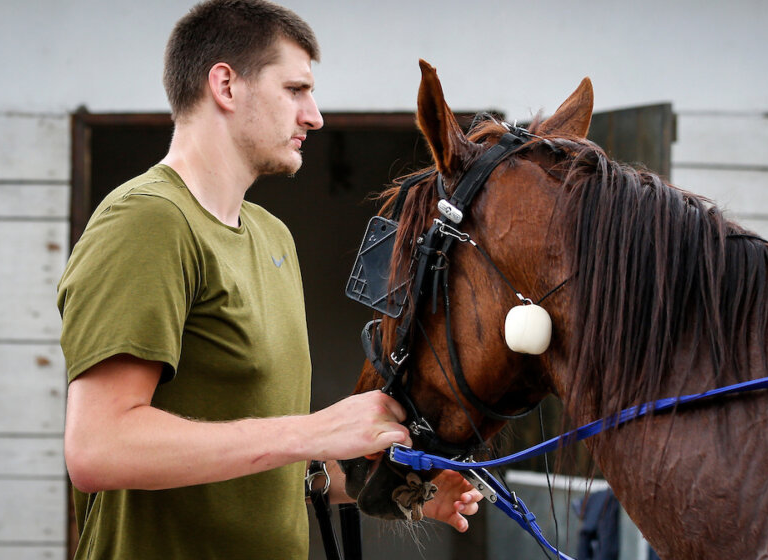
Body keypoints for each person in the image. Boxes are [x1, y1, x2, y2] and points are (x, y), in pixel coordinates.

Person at [56, 1, 481, 557]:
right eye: (295, 89)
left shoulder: (271, 236)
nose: (314, 116)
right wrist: (313, 430)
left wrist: (400, 492)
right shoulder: (148, 221)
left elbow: (263, 464)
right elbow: (98, 448)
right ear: (226, 86)